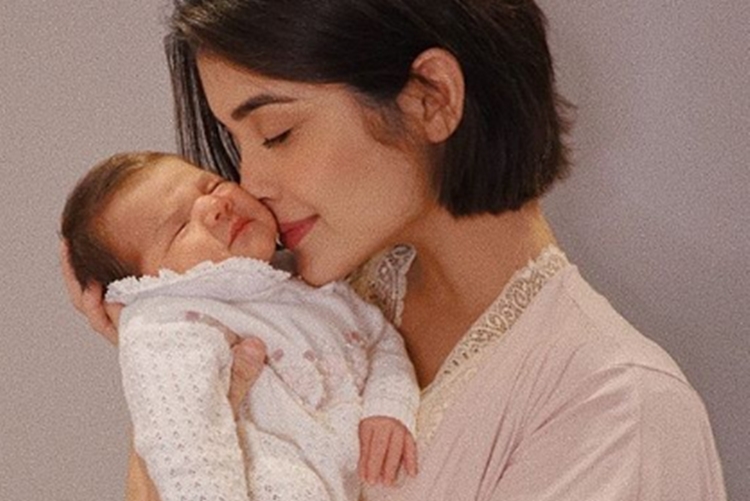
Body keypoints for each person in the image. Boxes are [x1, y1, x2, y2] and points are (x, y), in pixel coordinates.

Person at [61, 0, 727, 499]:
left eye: (277, 132)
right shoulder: (301, 303)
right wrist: (168, 354)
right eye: (236, 145)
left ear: (430, 98)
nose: (249, 182)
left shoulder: (618, 413)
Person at [60, 151, 420, 501]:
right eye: (180, 227)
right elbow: (184, 448)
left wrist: (387, 405)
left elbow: (378, 336)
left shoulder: (304, 280)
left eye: (212, 186)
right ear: (144, 285)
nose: (215, 206)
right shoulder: (168, 324)